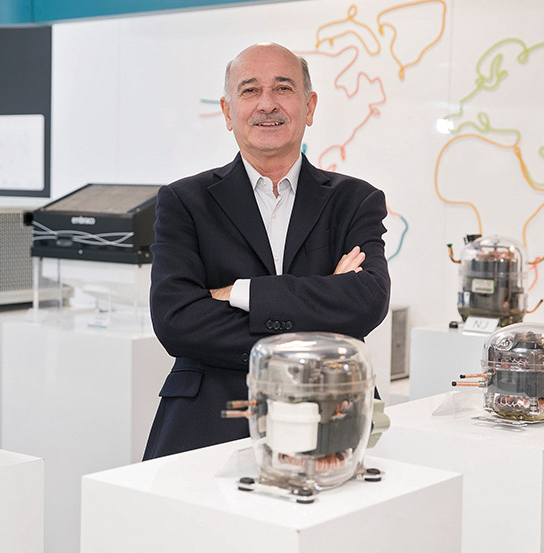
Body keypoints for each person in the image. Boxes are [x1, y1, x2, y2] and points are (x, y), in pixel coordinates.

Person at [142, 42, 390, 460]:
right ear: (228, 112)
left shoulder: (355, 200)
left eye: (283, 88)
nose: (267, 104)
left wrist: (242, 293)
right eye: (250, 90)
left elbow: (366, 303)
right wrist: (323, 300)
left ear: (309, 107)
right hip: (210, 418)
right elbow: (176, 320)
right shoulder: (184, 202)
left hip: (332, 418)